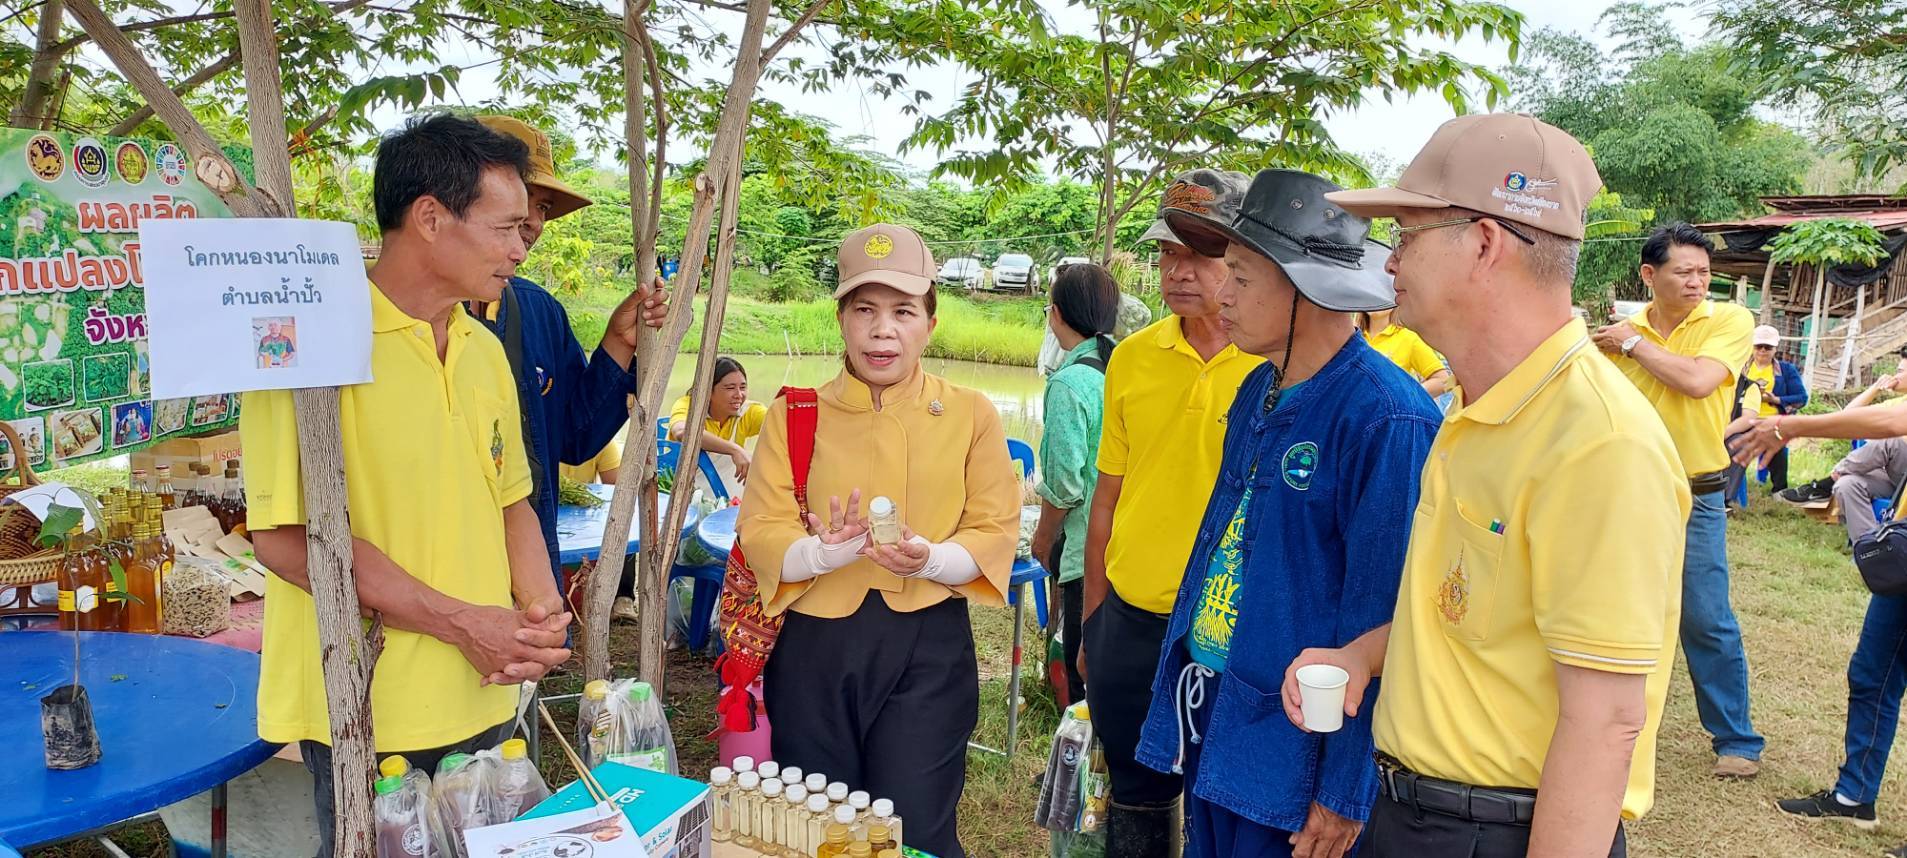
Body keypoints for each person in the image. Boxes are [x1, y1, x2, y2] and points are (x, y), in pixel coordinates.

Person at [1286, 113, 1689, 857]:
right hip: (1414, 813)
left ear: (1482, 243)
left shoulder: (1596, 442)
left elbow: (1604, 720)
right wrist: (1361, 657)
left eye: (1406, 236)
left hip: (1497, 832)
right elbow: (1470, 616)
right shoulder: (1478, 407)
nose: (1389, 263)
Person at [242, 114, 572, 858]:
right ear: (429, 217)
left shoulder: (483, 348)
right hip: (370, 705)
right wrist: (462, 624)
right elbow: (286, 540)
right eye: (505, 228)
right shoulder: (302, 344)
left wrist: (538, 616)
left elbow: (509, 499)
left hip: (489, 688)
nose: (521, 248)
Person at [1134, 170, 1440, 858]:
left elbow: (1384, 618)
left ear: (1305, 287)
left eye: (1240, 277)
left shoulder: (1385, 417)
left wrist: (1344, 790)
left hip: (1297, 745)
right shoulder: (1257, 386)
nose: (1222, 295)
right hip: (1220, 712)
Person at [737, 224, 1019, 858]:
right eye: (864, 310)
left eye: (903, 312)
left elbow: (994, 526)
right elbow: (762, 525)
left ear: (930, 324)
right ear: (841, 319)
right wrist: (820, 553)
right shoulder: (795, 413)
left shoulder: (971, 413)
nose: (882, 330)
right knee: (821, 824)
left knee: (913, 826)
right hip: (815, 644)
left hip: (928, 643)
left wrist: (933, 559)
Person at [1080, 168, 1260, 857]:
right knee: (1136, 796)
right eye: (1166, 253)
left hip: (1231, 630)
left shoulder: (1273, 364)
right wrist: (1094, 622)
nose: (1178, 271)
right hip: (1131, 620)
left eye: (1200, 254)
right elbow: (1107, 497)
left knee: (1225, 803)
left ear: (1243, 261)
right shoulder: (1131, 358)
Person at [1592, 223, 1764, 778]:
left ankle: (1736, 740)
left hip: (1698, 491)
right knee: (1610, 609)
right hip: (1626, 491)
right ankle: (1607, 725)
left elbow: (1697, 381)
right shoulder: (1619, 335)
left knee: (1706, 616)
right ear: (1650, 274)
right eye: (1684, 272)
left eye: (1704, 273)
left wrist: (1633, 345)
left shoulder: (1729, 321)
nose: (1697, 282)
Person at [469, 115, 666, 581]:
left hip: (531, 570)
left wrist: (618, 343)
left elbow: (575, 439)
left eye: (542, 207)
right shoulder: (416, 318)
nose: (534, 222)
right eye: (524, 198)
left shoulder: (538, 311)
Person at [1030, 262, 1121, 707]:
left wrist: (1043, 538)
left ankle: (1076, 749)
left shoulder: (1069, 383)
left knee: (1083, 672)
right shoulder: (1123, 364)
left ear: (1056, 314)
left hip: (1087, 548)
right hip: (1126, 545)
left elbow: (1065, 486)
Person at [1724, 325, 1807, 501]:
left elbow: (1801, 398)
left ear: (1775, 348)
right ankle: (1727, 488)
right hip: (1743, 420)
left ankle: (1779, 489)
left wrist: (1776, 399)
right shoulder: (1741, 368)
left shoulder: (1786, 370)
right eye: (1758, 346)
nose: (1762, 350)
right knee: (1734, 443)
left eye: (1767, 347)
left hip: (1772, 420)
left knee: (1777, 442)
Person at [668, 355, 767, 501]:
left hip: (729, 498)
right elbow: (682, 432)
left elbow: (782, 425)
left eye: (743, 387)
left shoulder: (749, 411)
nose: (739, 395)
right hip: (685, 496)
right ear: (708, 391)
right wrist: (734, 450)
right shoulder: (689, 405)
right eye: (730, 388)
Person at [1358, 308, 1451, 401]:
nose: (1375, 301)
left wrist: (1408, 397)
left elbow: (1442, 380)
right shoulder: (1354, 337)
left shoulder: (1408, 338)